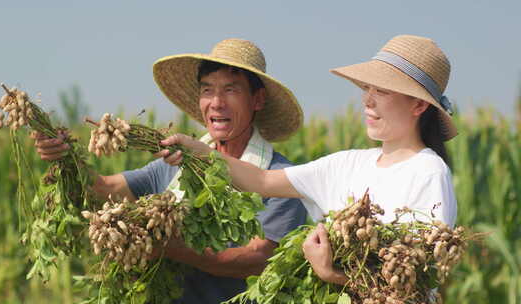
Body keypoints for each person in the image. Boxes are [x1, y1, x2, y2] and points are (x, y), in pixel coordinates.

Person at [159, 35, 458, 285]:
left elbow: (413, 284)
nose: (367, 101)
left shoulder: (427, 172)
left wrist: (332, 274)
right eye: (367, 89)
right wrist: (199, 152)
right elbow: (261, 180)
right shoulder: (349, 164)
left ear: (418, 104)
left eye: (381, 91)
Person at [32, 38, 308, 302]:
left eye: (231, 90)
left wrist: (171, 247)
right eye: (207, 90)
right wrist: (66, 159)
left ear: (257, 100)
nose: (217, 102)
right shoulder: (175, 165)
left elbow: (255, 259)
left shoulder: (280, 178)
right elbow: (104, 189)